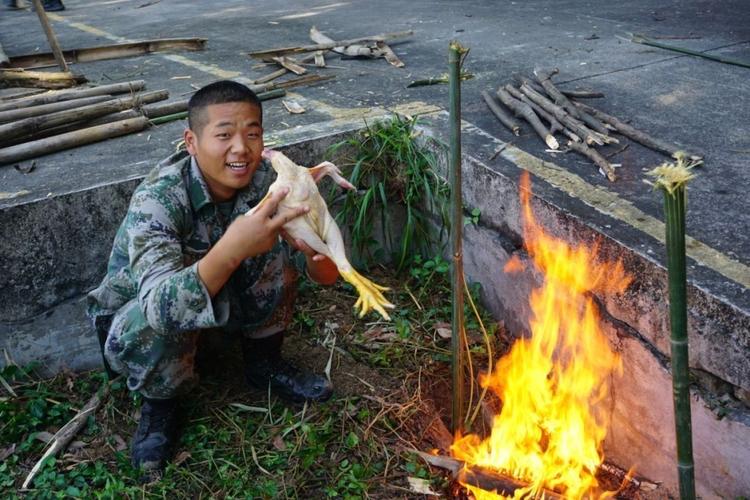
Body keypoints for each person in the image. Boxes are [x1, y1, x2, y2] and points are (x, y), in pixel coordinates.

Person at [87, 80, 339, 473]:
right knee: (160, 312)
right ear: (191, 141)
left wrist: (319, 251)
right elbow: (159, 310)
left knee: (275, 255)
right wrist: (235, 246)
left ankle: (263, 364)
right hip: (138, 325)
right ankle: (160, 403)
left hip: (212, 311)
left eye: (252, 134)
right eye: (224, 135)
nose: (241, 148)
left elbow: (324, 276)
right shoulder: (159, 200)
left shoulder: (265, 184)